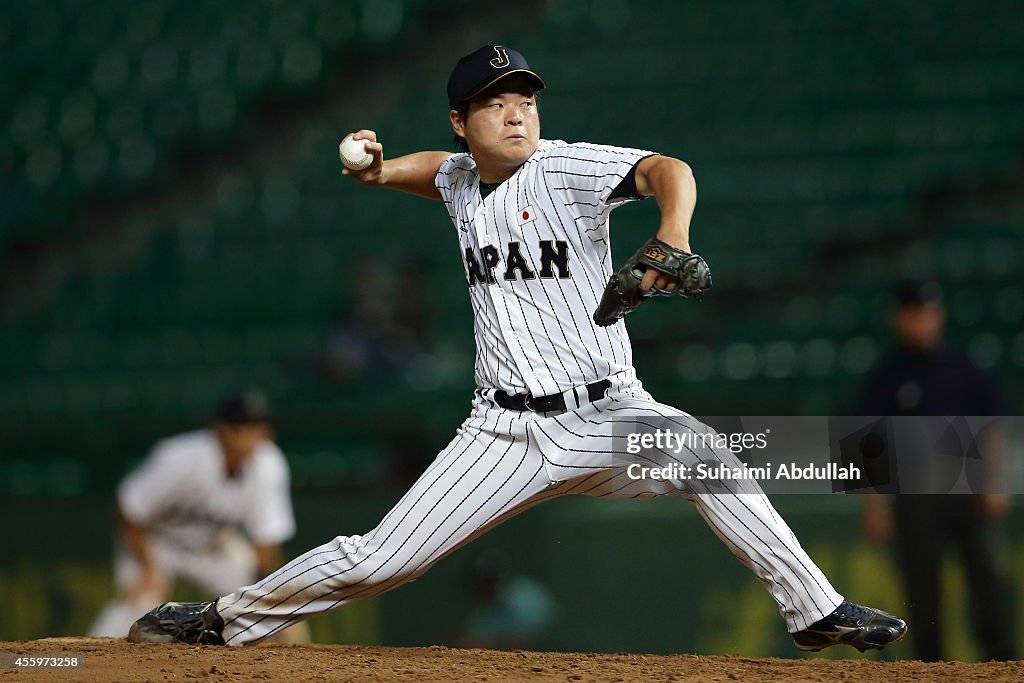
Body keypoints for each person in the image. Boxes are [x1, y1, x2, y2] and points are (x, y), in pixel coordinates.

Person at [128, 44, 906, 653]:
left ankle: (814, 609)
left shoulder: (565, 167)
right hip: (501, 433)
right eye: (494, 103)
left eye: (524, 99)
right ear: (462, 121)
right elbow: (441, 174)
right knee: (380, 560)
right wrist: (378, 171)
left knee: (706, 453)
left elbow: (669, 168)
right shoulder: (465, 177)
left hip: (607, 410)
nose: (515, 113)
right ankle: (223, 619)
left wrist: (672, 233)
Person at [859, 281, 1016, 661]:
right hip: (915, 494)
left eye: (929, 313)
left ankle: (1002, 661)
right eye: (914, 314)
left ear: (939, 315)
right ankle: (929, 665)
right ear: (899, 318)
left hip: (968, 486)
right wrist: (874, 505)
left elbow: (994, 427)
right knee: (922, 585)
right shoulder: (887, 375)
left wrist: (995, 483)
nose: (922, 322)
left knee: (987, 578)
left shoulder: (963, 366)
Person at [90, 389, 302, 641]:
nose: (255, 436)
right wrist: (147, 568)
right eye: (245, 427)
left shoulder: (269, 464)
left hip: (213, 546)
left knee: (272, 603)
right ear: (222, 430)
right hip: (157, 542)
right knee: (140, 604)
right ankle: (87, 654)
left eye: (259, 427)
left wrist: (268, 594)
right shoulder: (181, 458)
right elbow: (128, 506)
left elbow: (266, 541)